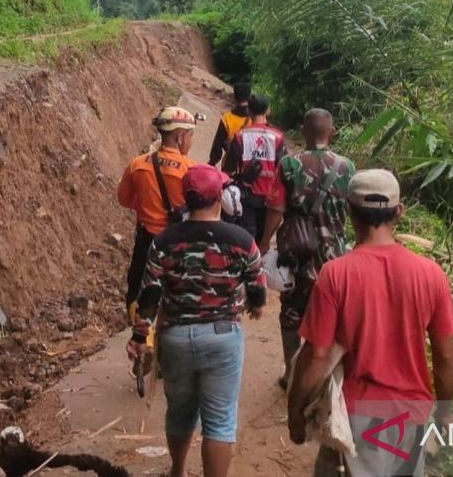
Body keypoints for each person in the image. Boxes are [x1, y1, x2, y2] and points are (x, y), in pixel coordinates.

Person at [288, 169, 453, 477]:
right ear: (399, 212)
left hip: (356, 419)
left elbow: (316, 355)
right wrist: (445, 411)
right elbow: (446, 356)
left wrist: (296, 411)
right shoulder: (430, 274)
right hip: (412, 417)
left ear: (349, 212)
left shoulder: (335, 274)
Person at [127, 164, 267, 477]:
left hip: (175, 337)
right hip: (222, 336)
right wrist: (256, 305)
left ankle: (177, 471)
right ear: (219, 196)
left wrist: (139, 338)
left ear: (186, 199)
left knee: (179, 412)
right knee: (219, 421)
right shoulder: (241, 240)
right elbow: (258, 283)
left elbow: (149, 294)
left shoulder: (164, 241)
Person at [258, 108, 355, 389]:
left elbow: (275, 208)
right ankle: (327, 378)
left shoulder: (289, 165)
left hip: (298, 256)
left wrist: (264, 243)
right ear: (331, 132)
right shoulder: (347, 167)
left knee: (291, 315)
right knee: (333, 316)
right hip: (335, 258)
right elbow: (354, 209)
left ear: (303, 131)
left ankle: (292, 375)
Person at [117, 106, 197, 317]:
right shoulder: (191, 170)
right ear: (180, 137)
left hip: (146, 239)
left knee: (138, 287)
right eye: (190, 135)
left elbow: (124, 199)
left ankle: (142, 334)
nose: (191, 141)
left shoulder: (137, 165)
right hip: (178, 242)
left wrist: (146, 206)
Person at [222, 94, 287, 241]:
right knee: (263, 240)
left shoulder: (240, 136)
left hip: (247, 198)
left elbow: (227, 170)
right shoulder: (278, 137)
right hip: (270, 199)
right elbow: (283, 168)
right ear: (268, 111)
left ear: (249, 112)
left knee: (247, 240)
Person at [208, 82, 251, 166]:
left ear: (234, 97)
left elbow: (218, 144)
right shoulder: (253, 119)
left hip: (230, 162)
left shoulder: (227, 118)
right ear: (249, 97)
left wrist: (212, 162)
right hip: (248, 164)